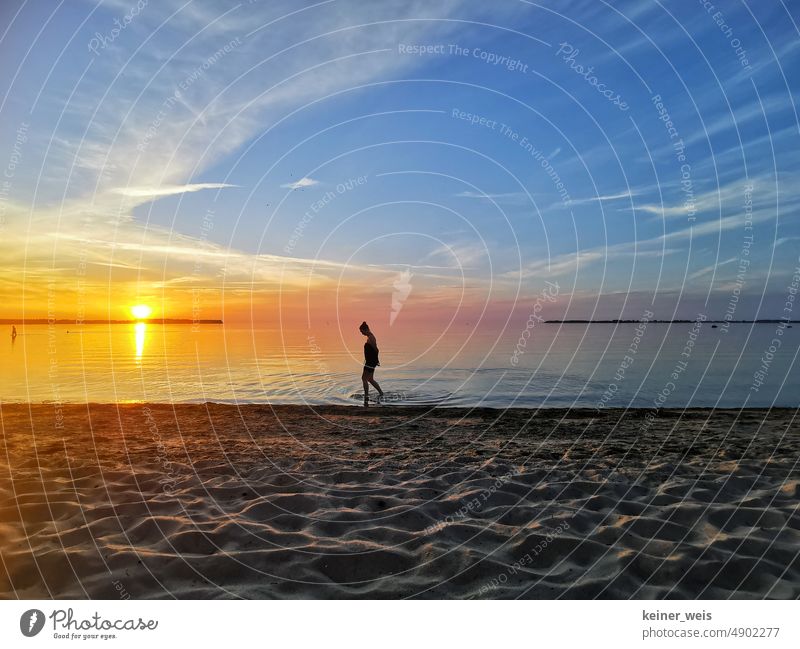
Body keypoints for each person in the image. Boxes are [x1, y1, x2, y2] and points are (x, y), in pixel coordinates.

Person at [359, 321, 384, 405]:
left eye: (362, 331)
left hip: (370, 362)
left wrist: (376, 360)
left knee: (364, 378)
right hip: (370, 361)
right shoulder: (369, 337)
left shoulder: (371, 338)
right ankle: (381, 393)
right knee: (370, 379)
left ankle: (366, 396)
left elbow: (376, 350)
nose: (361, 333)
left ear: (365, 329)